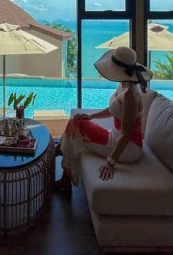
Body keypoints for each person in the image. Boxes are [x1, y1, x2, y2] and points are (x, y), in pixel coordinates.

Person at [54, 46, 153, 193]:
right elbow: (115, 109)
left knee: (76, 131)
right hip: (116, 137)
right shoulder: (124, 85)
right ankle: (62, 166)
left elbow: (126, 135)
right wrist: (91, 116)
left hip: (128, 148)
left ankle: (62, 168)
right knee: (77, 121)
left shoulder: (130, 95)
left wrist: (110, 162)